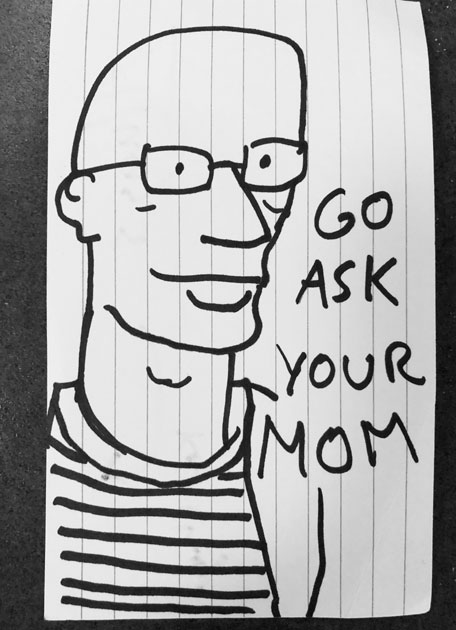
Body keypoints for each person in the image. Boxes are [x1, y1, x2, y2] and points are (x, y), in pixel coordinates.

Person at [45, 26, 307, 619]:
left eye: (269, 165)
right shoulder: (28, 475)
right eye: (178, 169)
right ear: (81, 201)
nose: (248, 226)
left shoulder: (304, 468)